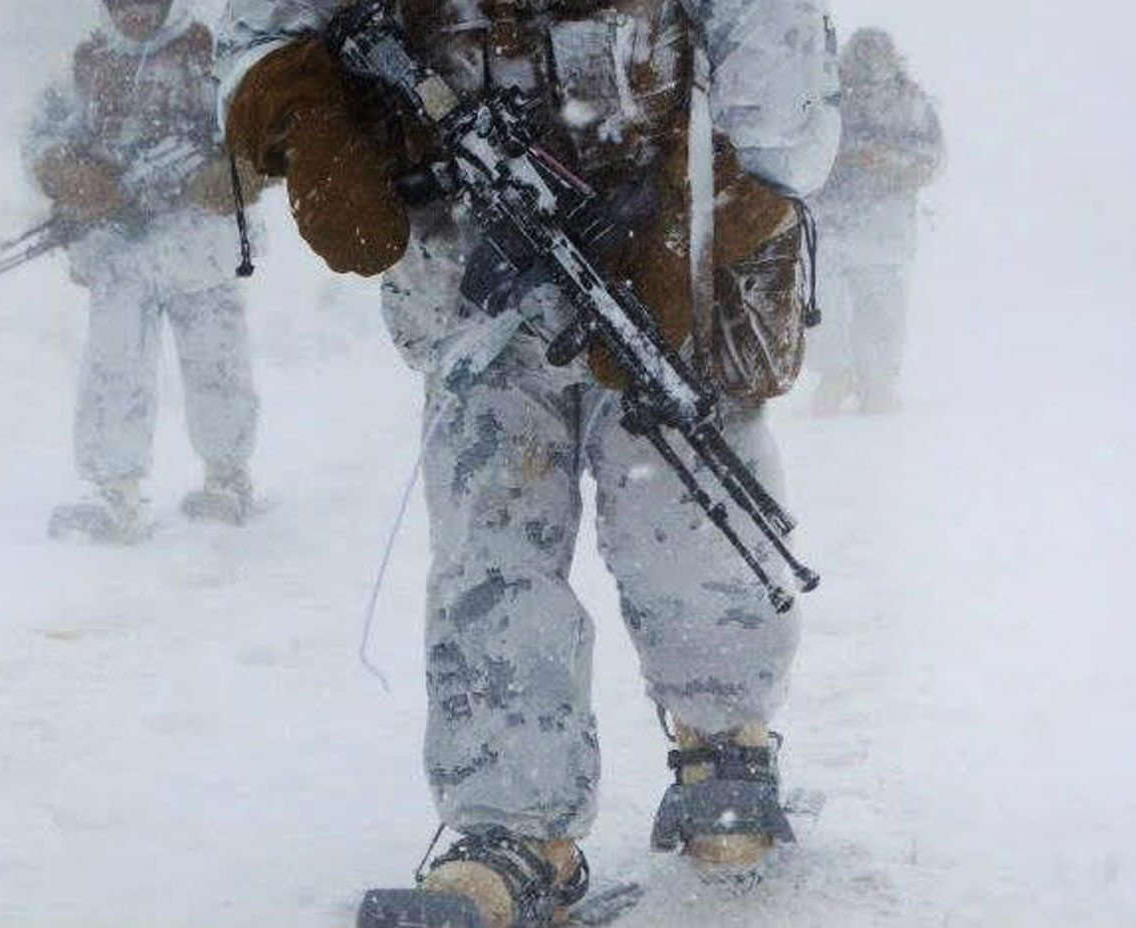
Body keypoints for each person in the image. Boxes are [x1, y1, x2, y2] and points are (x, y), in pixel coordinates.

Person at [216, 1, 838, 924]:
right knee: (490, 548)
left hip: (661, 233)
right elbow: (261, 32)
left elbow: (768, 26)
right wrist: (297, 110)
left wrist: (728, 199)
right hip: (468, 267)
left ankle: (725, 741)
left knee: (688, 515)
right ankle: (514, 823)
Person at [29, 0, 262, 544]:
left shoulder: (207, 52)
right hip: (119, 244)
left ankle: (227, 475)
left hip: (199, 241)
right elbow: (42, 136)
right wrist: (69, 174)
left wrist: (229, 175)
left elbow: (257, 131)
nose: (134, 12)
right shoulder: (85, 60)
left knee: (216, 363)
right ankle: (114, 488)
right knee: (114, 365)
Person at [809, 28, 945, 416]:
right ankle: (834, 376)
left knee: (881, 305)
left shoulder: (911, 103)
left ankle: (877, 381)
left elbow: (932, 158)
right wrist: (842, 160)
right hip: (832, 220)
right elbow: (811, 148)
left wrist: (889, 161)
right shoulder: (829, 99)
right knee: (825, 307)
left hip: (885, 225)